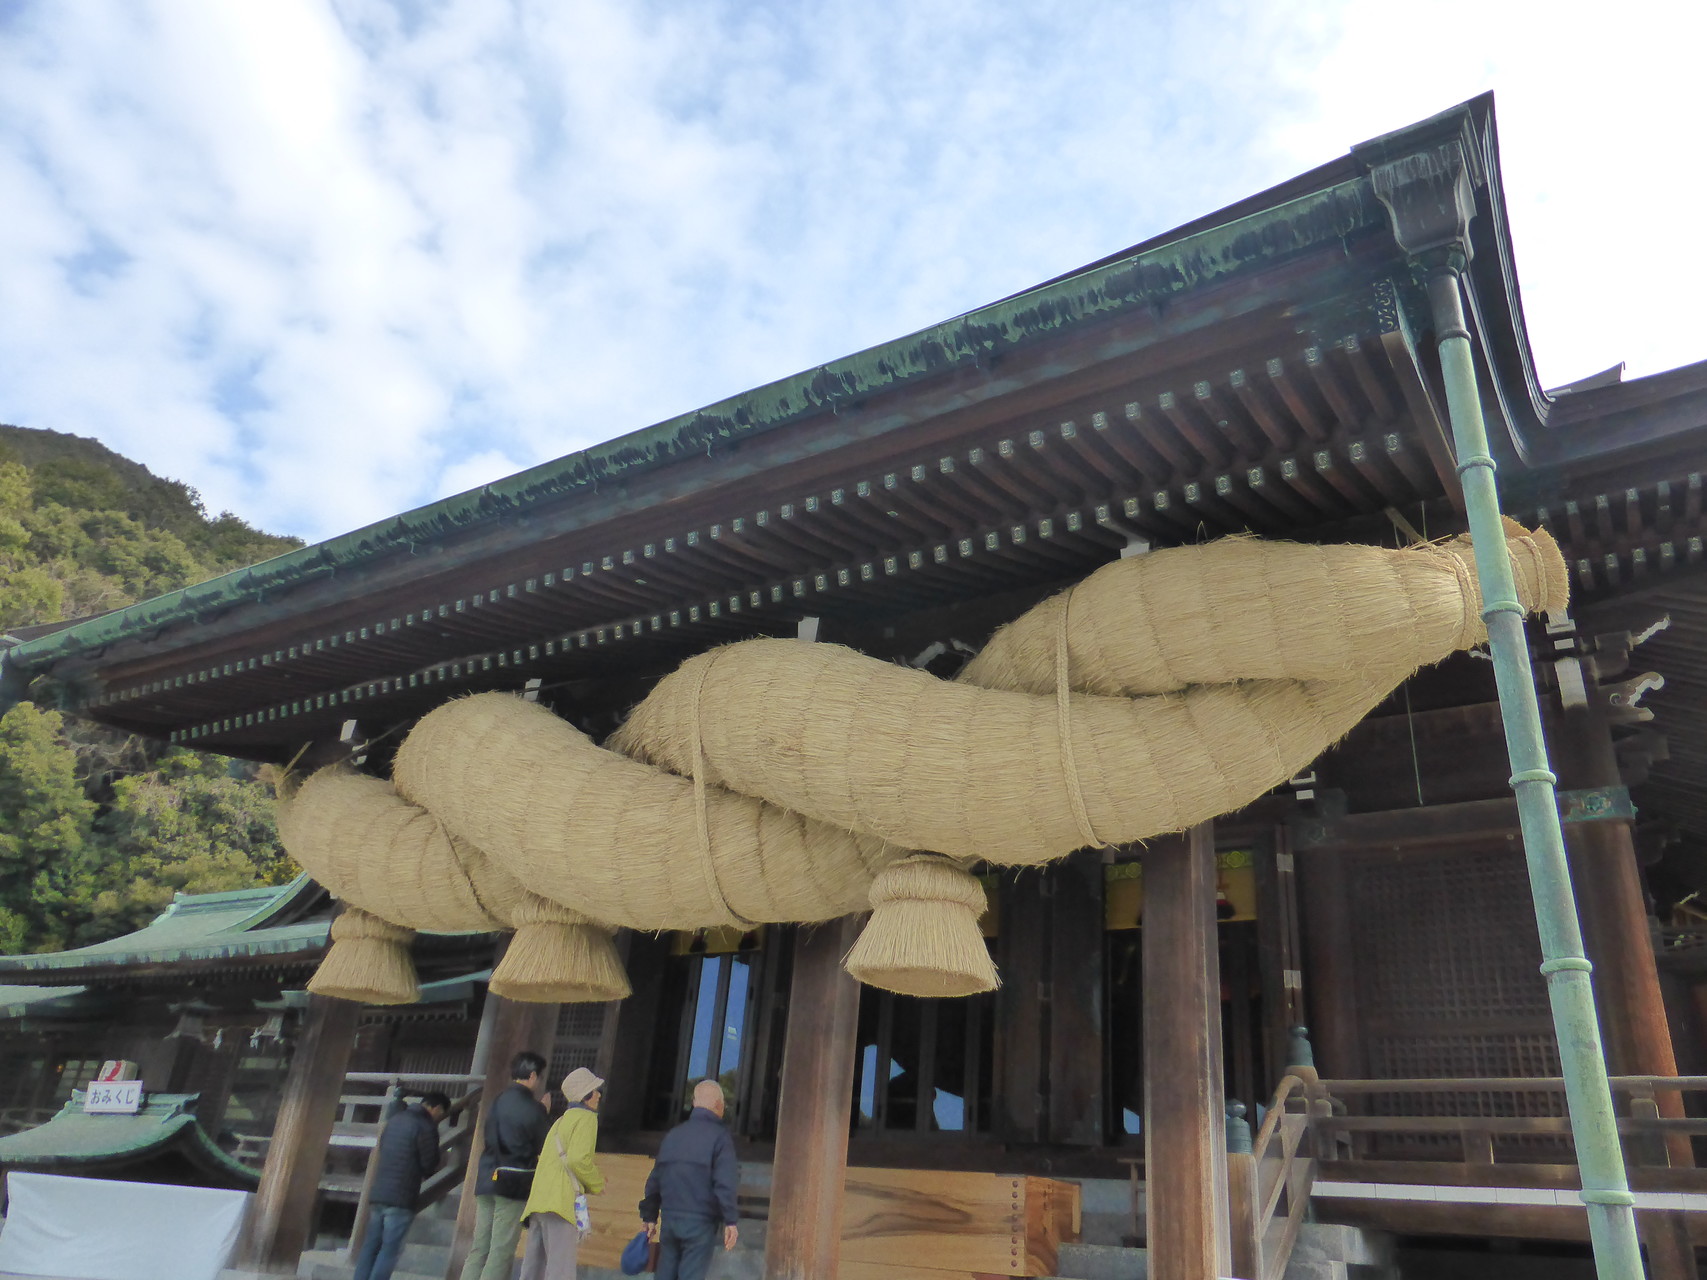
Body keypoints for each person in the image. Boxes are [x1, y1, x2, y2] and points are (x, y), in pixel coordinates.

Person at [461, 1050, 550, 1280]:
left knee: (479, 1247)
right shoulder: (532, 1109)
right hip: (512, 1183)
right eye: (539, 1077)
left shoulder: (498, 1101)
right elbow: (544, 1145)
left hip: (486, 1178)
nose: (539, 1082)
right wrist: (543, 1111)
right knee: (501, 1250)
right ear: (532, 1076)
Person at [639, 1080, 740, 1280]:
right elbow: (725, 1183)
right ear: (719, 1105)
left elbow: (655, 1180)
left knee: (665, 1274)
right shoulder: (720, 1138)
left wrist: (649, 1216)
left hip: (670, 1219)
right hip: (700, 1222)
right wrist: (730, 1220)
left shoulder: (673, 1136)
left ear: (694, 1103)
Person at [519, 1067, 605, 1279]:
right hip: (560, 1202)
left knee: (533, 1268)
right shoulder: (586, 1119)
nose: (599, 1095)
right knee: (560, 1269)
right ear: (586, 1096)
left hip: (539, 1201)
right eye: (595, 1090)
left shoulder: (560, 1121)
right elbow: (578, 1159)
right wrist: (597, 1183)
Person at [353, 1090, 449, 1280]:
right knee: (389, 1249)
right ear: (435, 1108)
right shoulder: (426, 1126)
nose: (440, 1118)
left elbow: (382, 1148)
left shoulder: (395, 1121)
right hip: (402, 1196)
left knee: (370, 1246)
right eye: (441, 1114)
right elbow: (428, 1163)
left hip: (379, 1192)